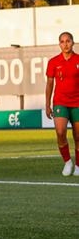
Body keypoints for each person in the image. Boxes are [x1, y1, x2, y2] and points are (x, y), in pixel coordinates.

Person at [45, 32, 79, 176]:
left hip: (77, 102)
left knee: (78, 136)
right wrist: (47, 105)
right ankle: (67, 162)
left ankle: (78, 166)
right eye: (62, 42)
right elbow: (49, 84)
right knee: (60, 132)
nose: (65, 44)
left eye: (68, 41)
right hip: (60, 102)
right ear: (59, 44)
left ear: (73, 42)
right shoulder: (54, 62)